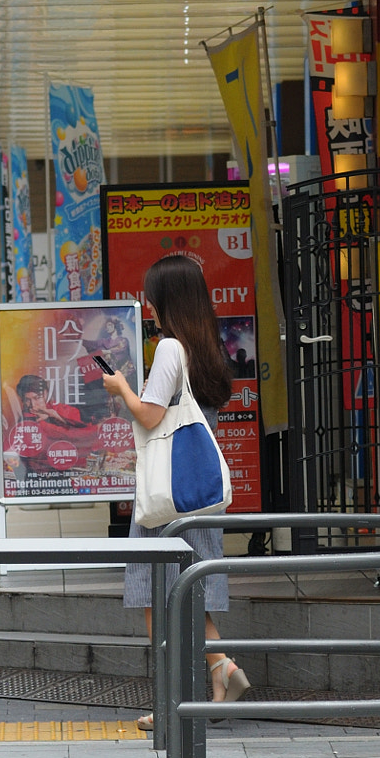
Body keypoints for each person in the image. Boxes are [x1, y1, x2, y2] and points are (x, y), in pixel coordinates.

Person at [98, 255, 243, 722]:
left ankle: (170, 703)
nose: (146, 302)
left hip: (166, 501)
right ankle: (222, 671)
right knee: (190, 590)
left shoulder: (169, 348)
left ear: (163, 299)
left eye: (150, 293)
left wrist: (120, 386)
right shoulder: (206, 346)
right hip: (196, 491)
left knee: (153, 596)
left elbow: (151, 415)